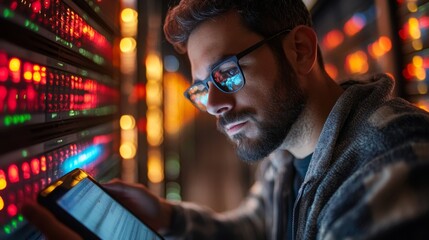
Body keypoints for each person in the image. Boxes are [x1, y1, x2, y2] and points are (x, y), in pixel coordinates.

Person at [22, 0, 429, 239]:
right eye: (201, 88)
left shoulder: (389, 168)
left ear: (300, 50)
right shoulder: (287, 149)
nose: (214, 102)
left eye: (227, 73)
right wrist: (165, 216)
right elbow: (256, 228)